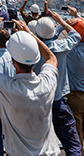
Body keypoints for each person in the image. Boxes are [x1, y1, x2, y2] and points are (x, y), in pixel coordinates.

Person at [0, 17, 60, 156]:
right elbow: (51, 58)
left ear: (13, 61)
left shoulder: (6, 86)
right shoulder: (47, 83)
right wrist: (30, 35)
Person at [34, 12, 82, 156]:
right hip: (58, 100)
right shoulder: (61, 47)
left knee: (39, 144)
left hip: (38, 103)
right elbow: (76, 36)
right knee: (72, 143)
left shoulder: (33, 50)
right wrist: (61, 21)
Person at [66, 18, 84, 155]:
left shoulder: (72, 52)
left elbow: (50, 39)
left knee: (77, 133)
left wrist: (63, 23)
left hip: (76, 95)